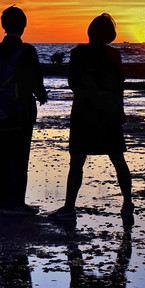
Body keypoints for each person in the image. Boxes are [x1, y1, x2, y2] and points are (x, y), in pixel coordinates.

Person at [53, 13, 134, 223]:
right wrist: (118, 111)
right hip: (109, 114)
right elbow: (119, 87)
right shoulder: (114, 55)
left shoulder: (79, 53)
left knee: (77, 161)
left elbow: (73, 83)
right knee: (118, 159)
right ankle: (127, 203)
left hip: (84, 113)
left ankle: (70, 207)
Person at [0, 5, 48, 215]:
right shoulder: (27, 51)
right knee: (20, 156)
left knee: (0, 155)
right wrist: (42, 96)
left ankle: (0, 202)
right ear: (23, 26)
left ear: (4, 25)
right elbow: (35, 79)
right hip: (21, 111)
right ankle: (17, 203)